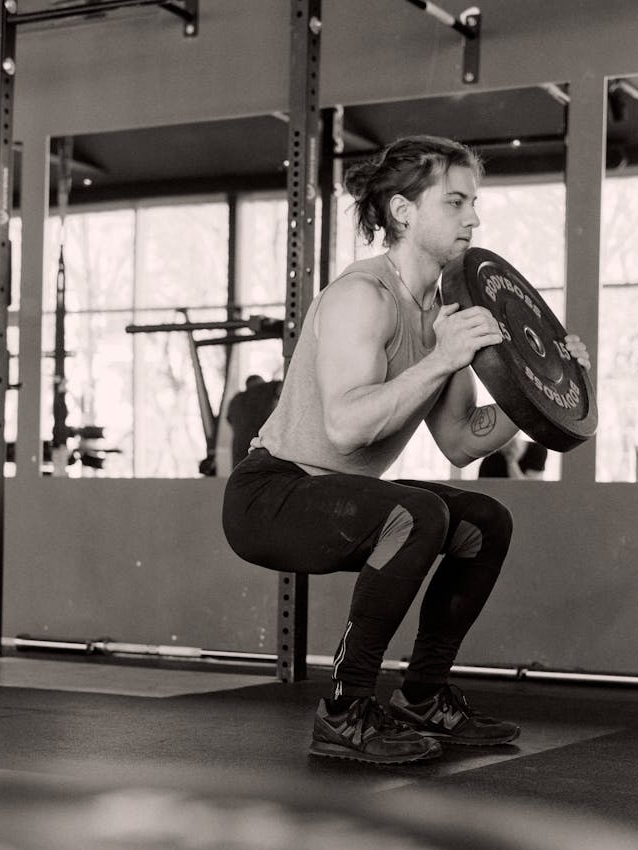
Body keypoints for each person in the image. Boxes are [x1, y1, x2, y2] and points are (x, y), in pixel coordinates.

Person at [223, 135, 590, 766]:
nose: (473, 217)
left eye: (473, 202)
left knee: (483, 520)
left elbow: (459, 441)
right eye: (455, 201)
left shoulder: (444, 312)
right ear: (402, 212)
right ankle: (344, 711)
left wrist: (539, 388)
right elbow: (344, 428)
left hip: (343, 498)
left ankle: (423, 695)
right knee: (416, 514)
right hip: (272, 494)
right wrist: (445, 357)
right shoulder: (361, 298)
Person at [226, 374, 281, 467]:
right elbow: (285, 386)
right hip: (258, 451)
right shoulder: (263, 389)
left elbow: (229, 420)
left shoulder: (235, 400)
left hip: (238, 455)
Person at [478, 434, 548, 479]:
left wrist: (512, 462)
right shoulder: (490, 460)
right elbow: (483, 488)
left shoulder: (538, 450)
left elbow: (530, 489)